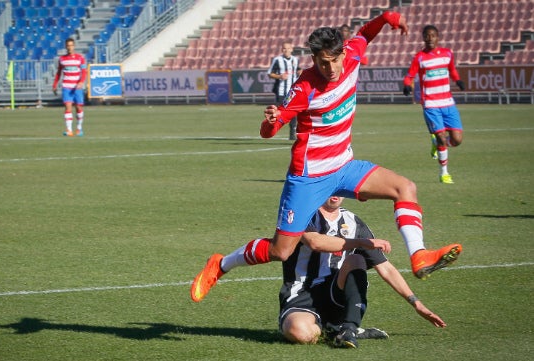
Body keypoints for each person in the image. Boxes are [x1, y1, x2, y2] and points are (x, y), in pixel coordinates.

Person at [190, 11, 462, 304]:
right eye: (322, 62)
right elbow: (269, 132)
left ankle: (419, 256)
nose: (330, 68)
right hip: (309, 177)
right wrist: (271, 120)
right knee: (281, 251)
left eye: (334, 60)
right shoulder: (304, 87)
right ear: (313, 60)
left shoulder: (353, 53)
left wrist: (387, 17)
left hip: (344, 166)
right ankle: (220, 265)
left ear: (343, 53)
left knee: (405, 188)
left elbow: (366, 33)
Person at [279, 196, 447, 348]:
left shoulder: (353, 222)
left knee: (356, 260)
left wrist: (416, 304)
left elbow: (386, 268)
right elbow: (315, 242)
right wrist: (360, 242)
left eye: (340, 189)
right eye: (331, 188)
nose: (335, 193)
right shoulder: (304, 215)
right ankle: (335, 330)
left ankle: (349, 328)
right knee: (299, 332)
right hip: (301, 293)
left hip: (335, 292)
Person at [403, 25, 465, 184]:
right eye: (427, 36)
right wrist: (406, 84)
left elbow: (452, 70)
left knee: (457, 140)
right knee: (442, 138)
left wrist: (458, 80)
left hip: (448, 103)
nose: (430, 38)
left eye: (432, 35)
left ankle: (436, 143)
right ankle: (444, 173)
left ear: (438, 37)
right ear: (423, 38)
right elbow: (410, 75)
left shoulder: (447, 54)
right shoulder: (420, 57)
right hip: (431, 103)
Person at [52, 38, 87, 137]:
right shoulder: (62, 59)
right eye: (68, 45)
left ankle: (79, 128)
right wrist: (55, 84)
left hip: (77, 87)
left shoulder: (80, 58)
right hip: (66, 86)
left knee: (79, 107)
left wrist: (81, 82)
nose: (70, 47)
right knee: (68, 107)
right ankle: (69, 130)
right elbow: (59, 73)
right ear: (66, 47)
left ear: (74, 46)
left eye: (71, 45)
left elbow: (84, 71)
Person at [267, 40, 301, 140]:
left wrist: (300, 72)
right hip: (281, 91)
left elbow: (298, 70)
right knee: (278, 112)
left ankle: (292, 134)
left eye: (288, 48)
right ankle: (270, 129)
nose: (286, 50)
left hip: (292, 92)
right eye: (284, 49)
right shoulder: (277, 60)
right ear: (282, 50)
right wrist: (280, 76)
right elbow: (270, 73)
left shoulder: (295, 60)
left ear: (291, 49)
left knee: (294, 113)